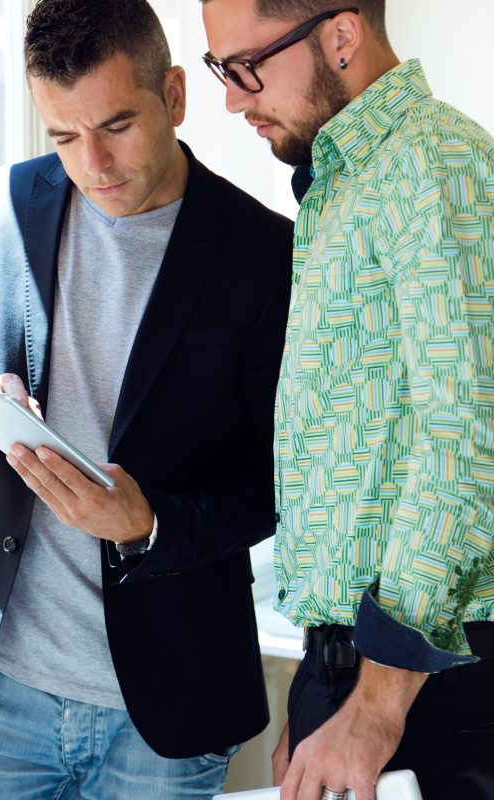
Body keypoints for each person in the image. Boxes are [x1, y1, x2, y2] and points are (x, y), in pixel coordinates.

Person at [0, 1, 294, 798]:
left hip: (167, 714)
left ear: (175, 95)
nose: (94, 163)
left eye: (117, 125)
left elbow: (281, 483)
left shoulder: (267, 255)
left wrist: (148, 524)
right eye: (63, 136)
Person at [200, 1, 494, 799]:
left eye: (246, 67)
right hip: (350, 669)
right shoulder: (340, 184)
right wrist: (319, 679)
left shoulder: (438, 164)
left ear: (339, 36)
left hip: (434, 681)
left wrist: (375, 703)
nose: (232, 98)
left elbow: (468, 441)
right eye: (219, 69)